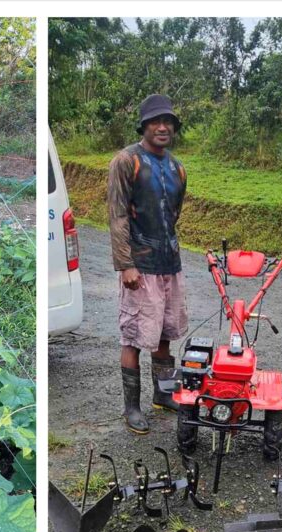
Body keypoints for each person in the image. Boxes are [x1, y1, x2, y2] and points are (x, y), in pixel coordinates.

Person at [108, 93, 189, 434]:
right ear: (143, 126)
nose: (162, 126)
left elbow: (173, 215)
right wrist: (126, 264)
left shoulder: (177, 168)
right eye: (155, 121)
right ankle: (131, 407)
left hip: (169, 262)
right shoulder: (127, 161)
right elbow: (117, 215)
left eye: (167, 121)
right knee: (134, 337)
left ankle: (163, 394)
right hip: (139, 267)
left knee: (166, 333)